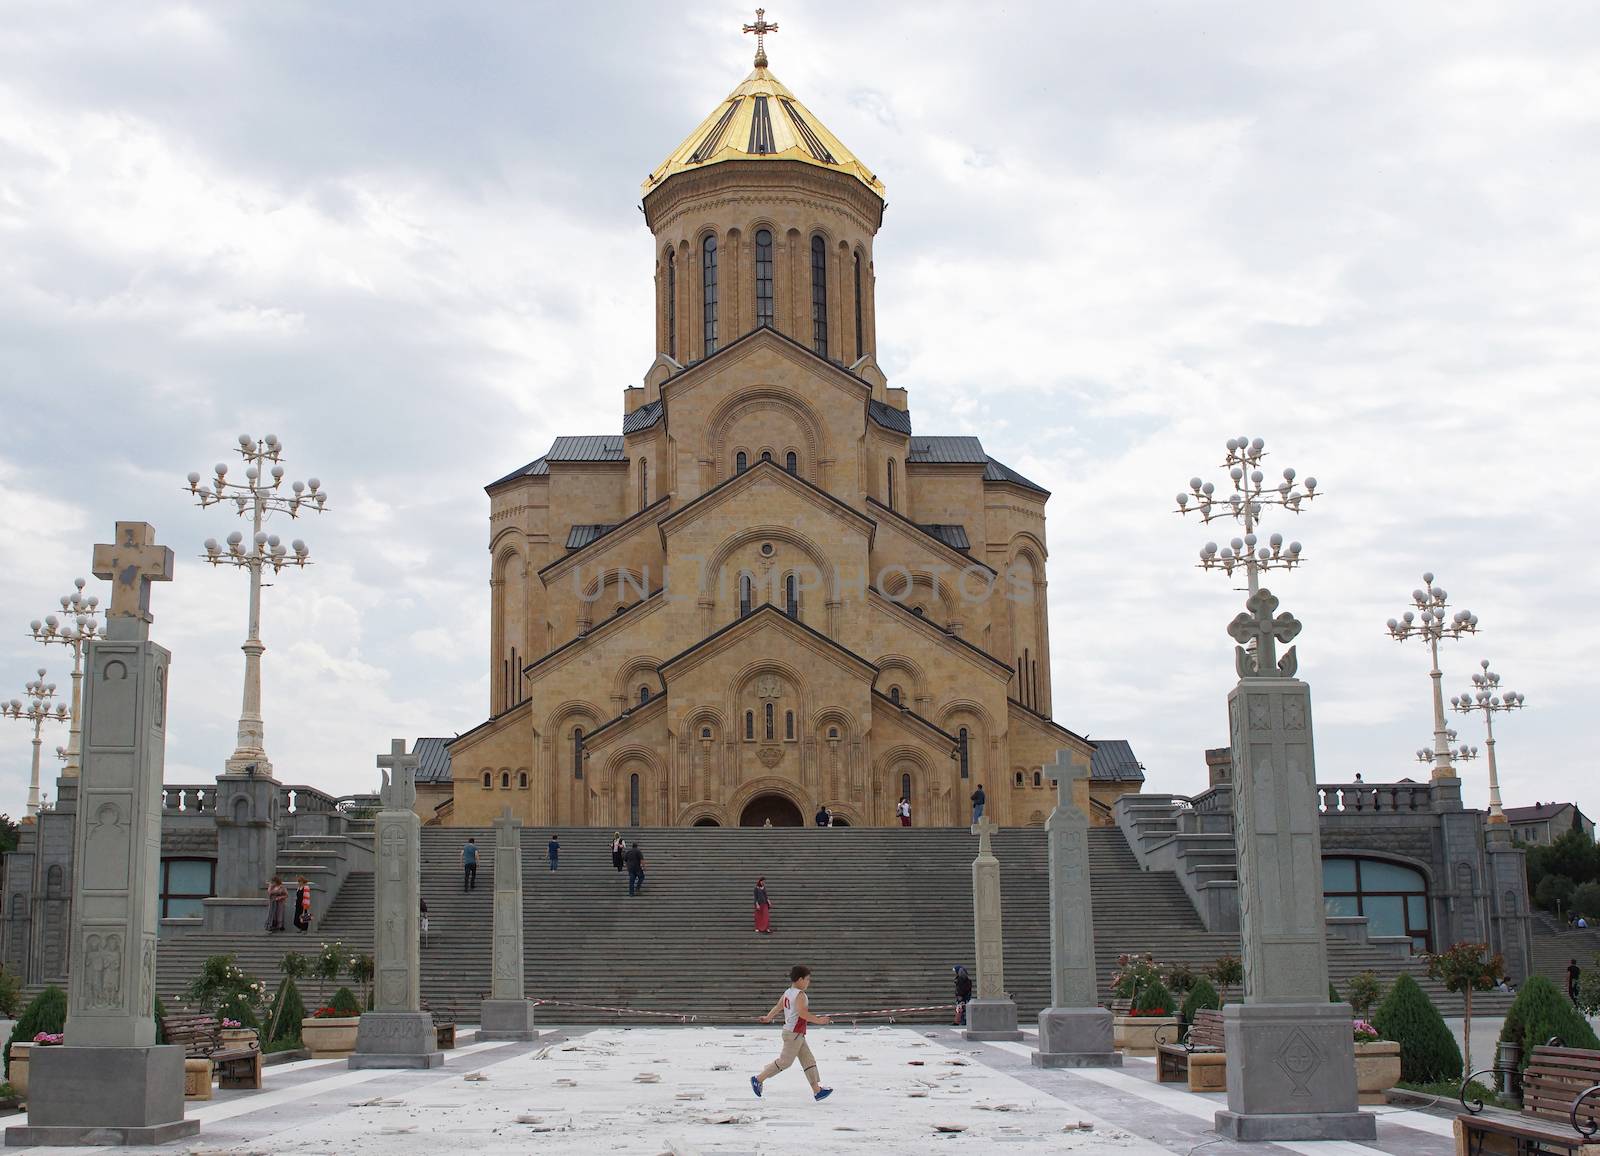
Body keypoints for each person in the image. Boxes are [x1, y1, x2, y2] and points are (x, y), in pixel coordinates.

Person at [752, 964, 833, 1102]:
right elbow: (802, 1014)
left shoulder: (788, 992)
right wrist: (819, 1021)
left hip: (796, 1034)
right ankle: (758, 1079)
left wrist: (768, 1018)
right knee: (785, 1062)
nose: (808, 982)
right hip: (793, 1034)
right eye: (807, 979)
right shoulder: (800, 995)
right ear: (800, 979)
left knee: (808, 1060)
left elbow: (778, 1007)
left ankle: (817, 1090)